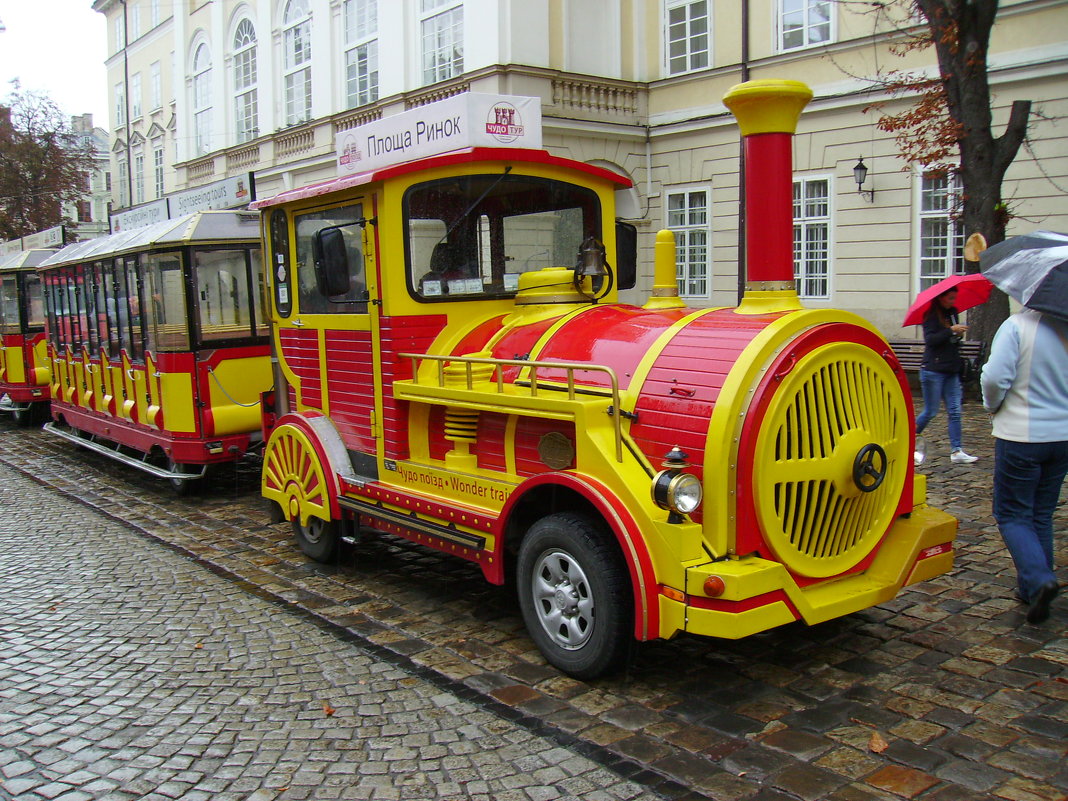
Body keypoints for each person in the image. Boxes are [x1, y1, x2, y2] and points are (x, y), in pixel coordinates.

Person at [981, 308, 1068, 624]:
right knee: (1041, 513)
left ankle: (1039, 580)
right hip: (1062, 436)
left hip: (1022, 434)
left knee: (1012, 514)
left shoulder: (1018, 325)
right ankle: (1031, 587)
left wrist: (992, 406)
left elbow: (994, 377)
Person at [914, 288, 979, 465]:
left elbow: (951, 340)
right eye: (950, 298)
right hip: (933, 369)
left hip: (951, 369)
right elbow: (931, 340)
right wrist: (951, 330)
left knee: (955, 411)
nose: (952, 301)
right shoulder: (930, 316)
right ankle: (909, 439)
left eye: (954, 298)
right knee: (931, 411)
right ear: (940, 298)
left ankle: (956, 450)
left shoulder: (952, 312)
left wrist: (957, 335)